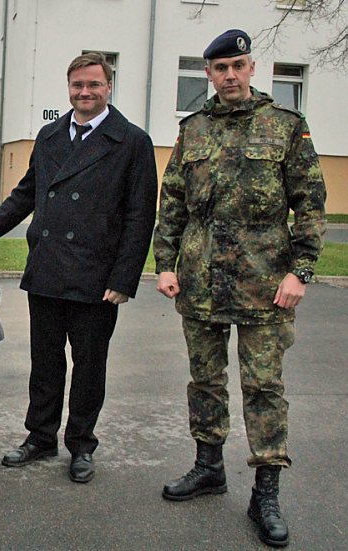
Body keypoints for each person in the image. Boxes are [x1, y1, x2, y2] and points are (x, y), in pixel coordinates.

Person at [154, 29, 327, 548]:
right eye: (220, 68)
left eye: (238, 65)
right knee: (204, 382)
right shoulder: (194, 130)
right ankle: (209, 467)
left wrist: (302, 271)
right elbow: (173, 205)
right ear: (208, 74)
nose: (229, 75)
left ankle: (266, 492)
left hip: (265, 286)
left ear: (253, 69)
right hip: (200, 283)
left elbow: (312, 204)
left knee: (264, 389)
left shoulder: (285, 127)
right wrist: (165, 264)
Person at [0, 52, 158, 483]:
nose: (85, 92)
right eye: (77, 85)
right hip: (49, 269)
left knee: (89, 366)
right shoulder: (50, 135)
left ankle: (81, 444)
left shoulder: (131, 141)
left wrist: (124, 278)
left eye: (93, 84)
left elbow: (139, 216)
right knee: (46, 362)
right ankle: (40, 436)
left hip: (97, 279)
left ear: (109, 87)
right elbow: (24, 196)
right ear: (68, 88)